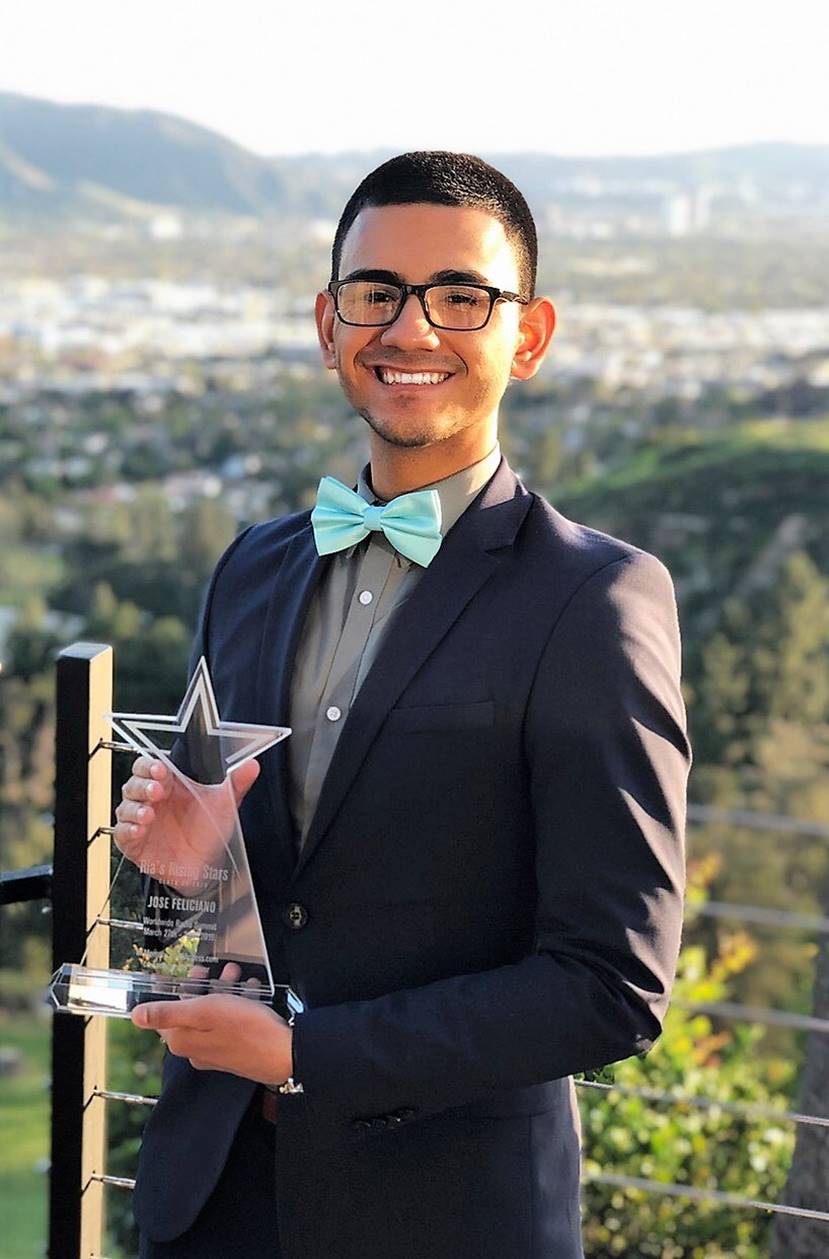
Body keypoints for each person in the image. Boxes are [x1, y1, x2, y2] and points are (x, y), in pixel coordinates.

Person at [116, 151, 691, 1259]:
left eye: (459, 296)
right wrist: (192, 879)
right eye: (375, 292)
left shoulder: (595, 599)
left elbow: (609, 983)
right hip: (210, 1197)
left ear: (527, 335)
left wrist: (303, 1052)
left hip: (447, 1216)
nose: (411, 329)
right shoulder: (248, 566)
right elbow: (249, 918)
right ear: (328, 324)